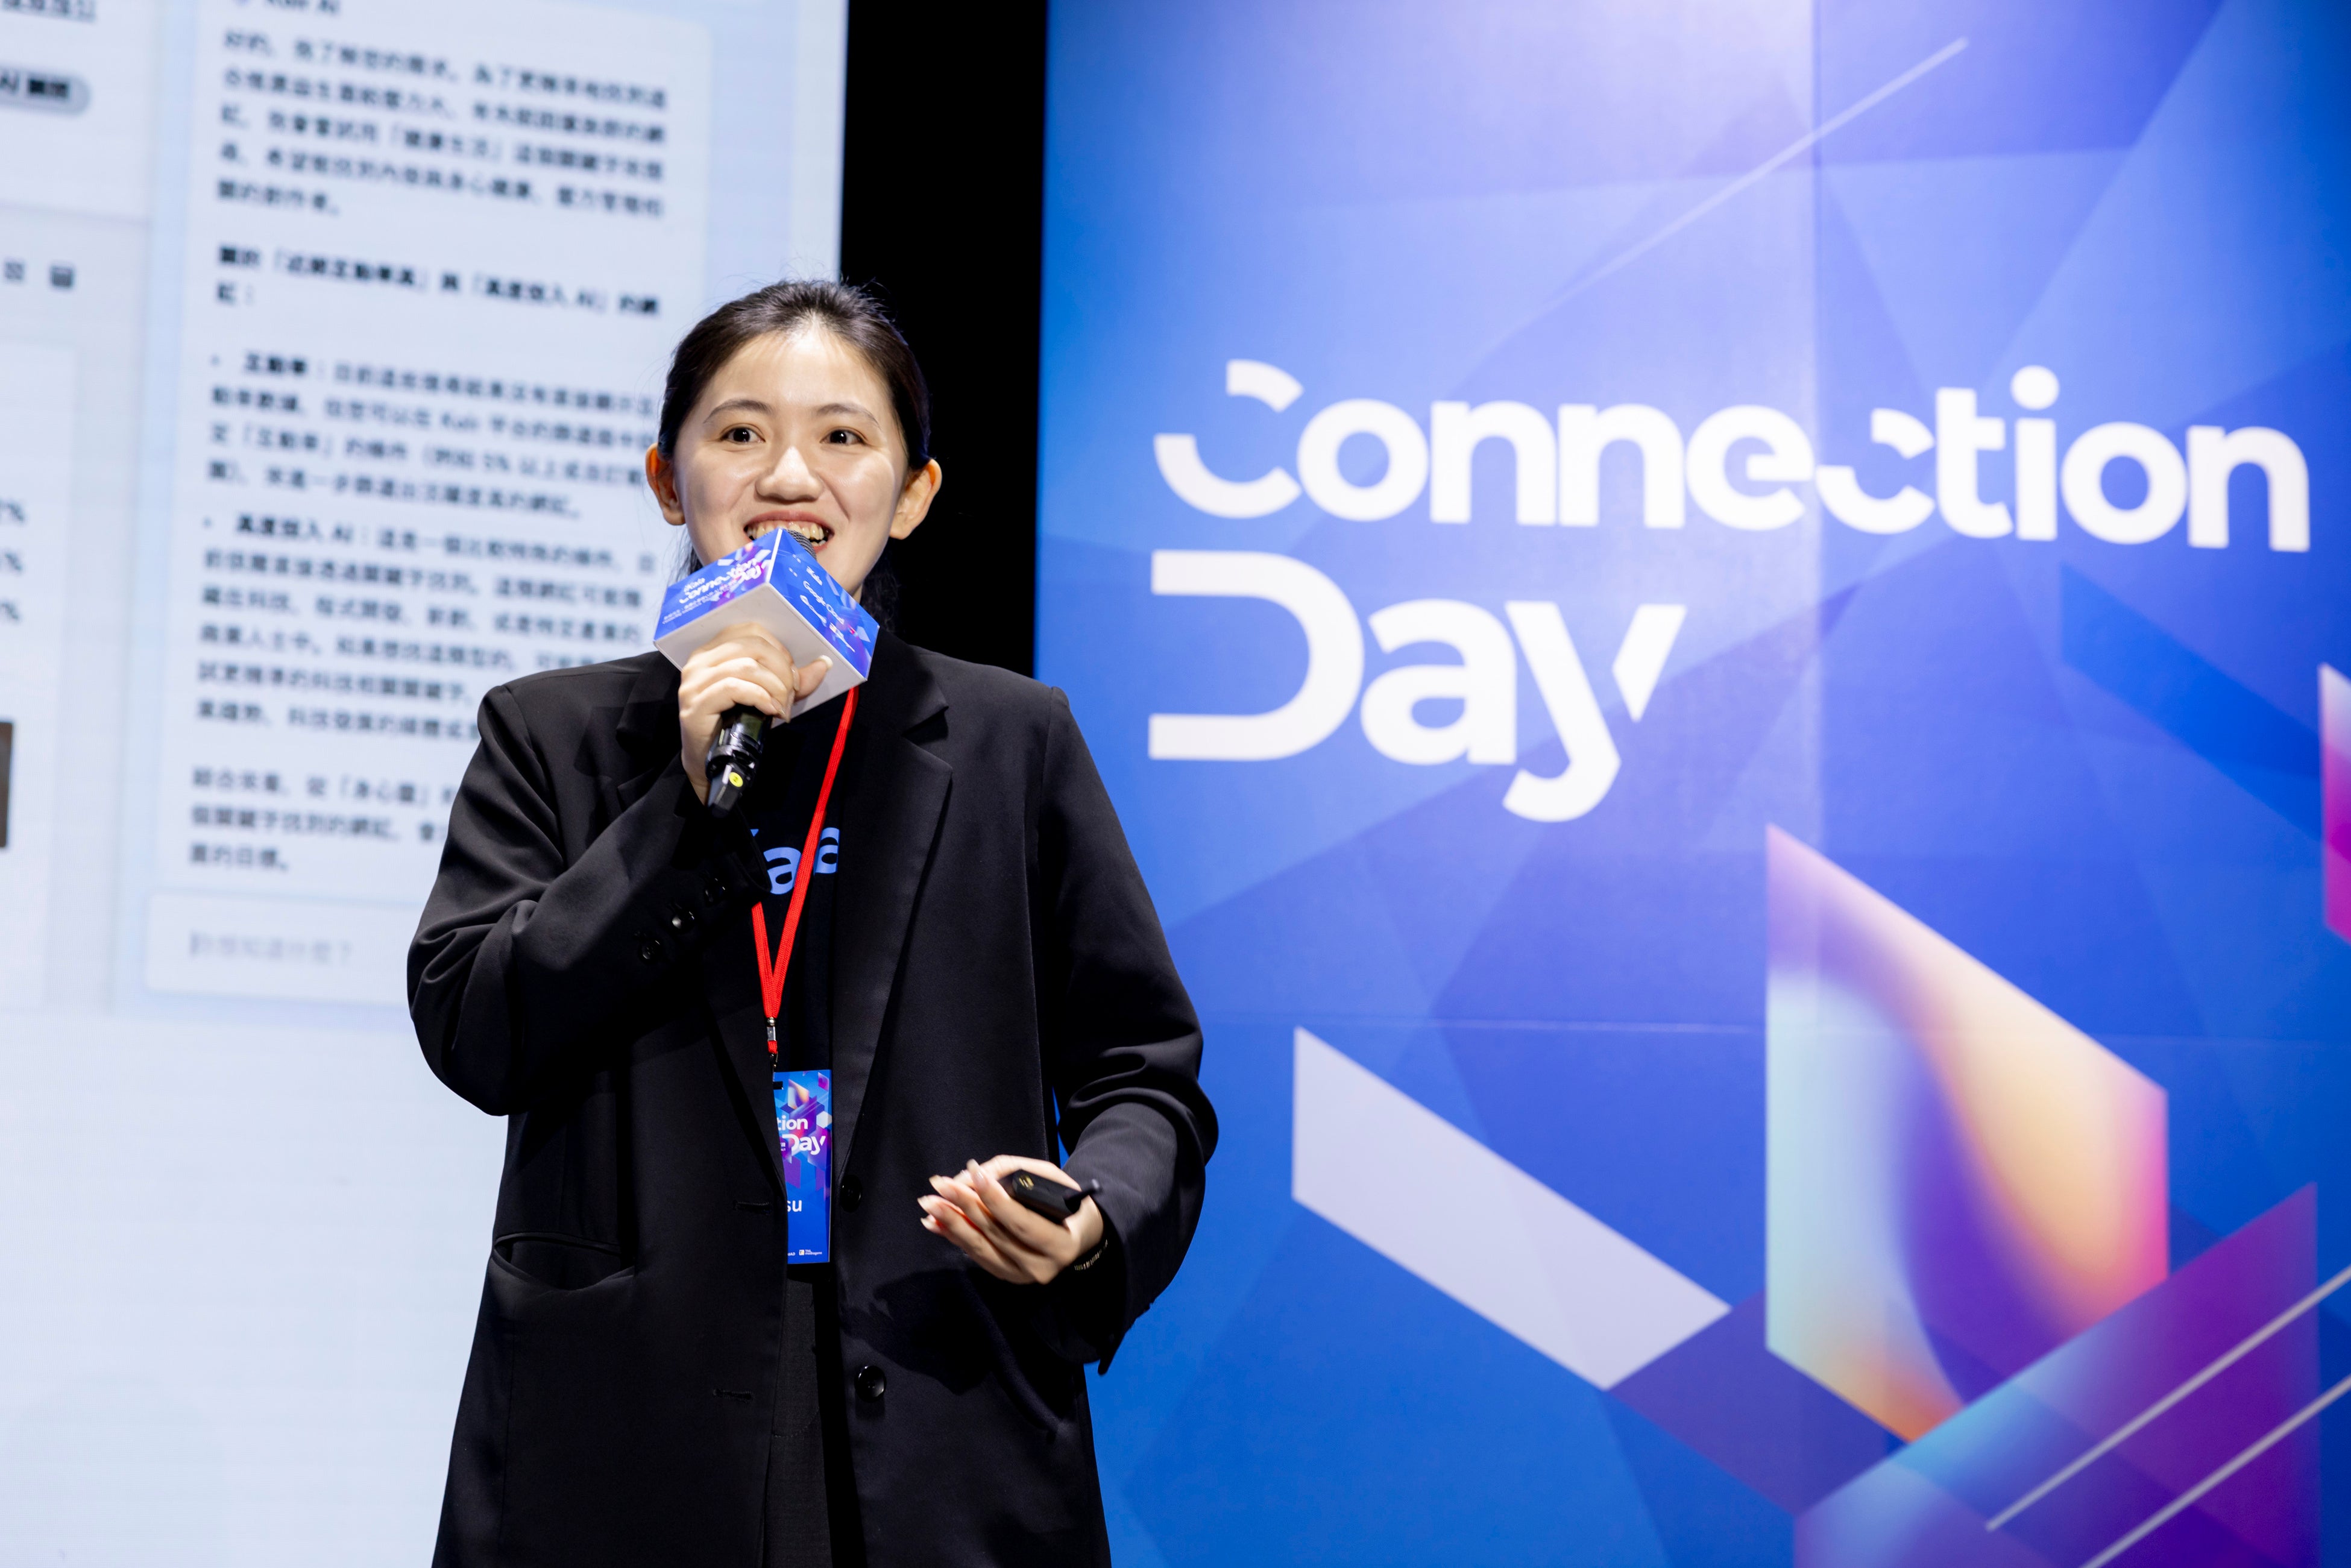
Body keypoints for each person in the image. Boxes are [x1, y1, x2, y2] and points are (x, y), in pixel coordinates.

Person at [408, 280, 1216, 1567]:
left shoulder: (1011, 741)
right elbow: (477, 1029)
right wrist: (680, 815)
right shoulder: (552, 734)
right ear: (667, 480)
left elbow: (1143, 1073)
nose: (789, 475)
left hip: (939, 1394)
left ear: (915, 493)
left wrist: (1092, 1217)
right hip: (623, 1423)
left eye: (843, 436)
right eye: (739, 433)